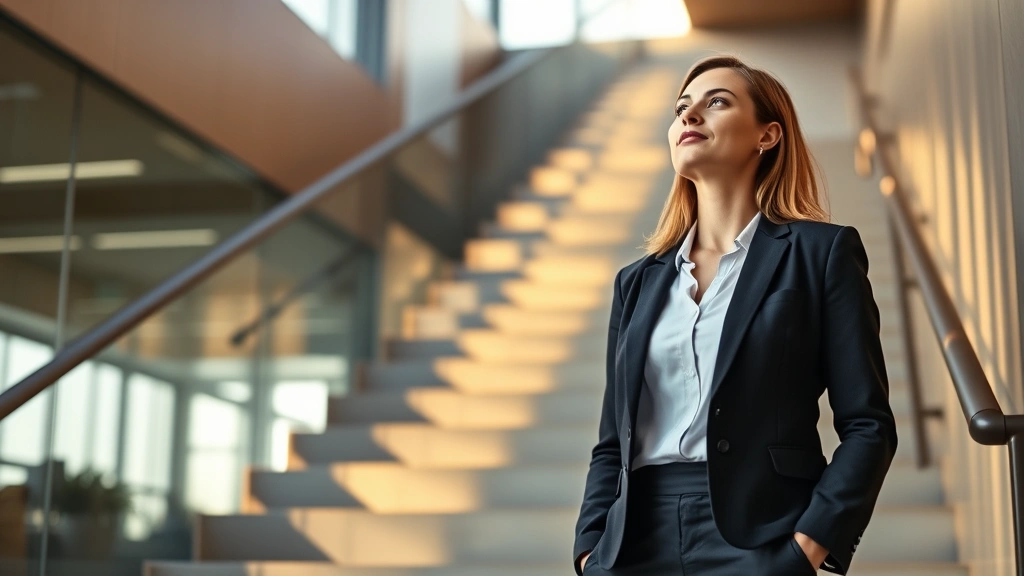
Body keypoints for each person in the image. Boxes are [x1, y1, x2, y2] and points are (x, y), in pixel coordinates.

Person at [572, 55, 898, 576]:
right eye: (682, 109)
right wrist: (590, 547)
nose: (690, 116)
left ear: (767, 136)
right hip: (633, 541)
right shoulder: (637, 282)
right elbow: (613, 439)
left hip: (762, 535)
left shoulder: (820, 253)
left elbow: (868, 425)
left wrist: (806, 549)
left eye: (715, 102)